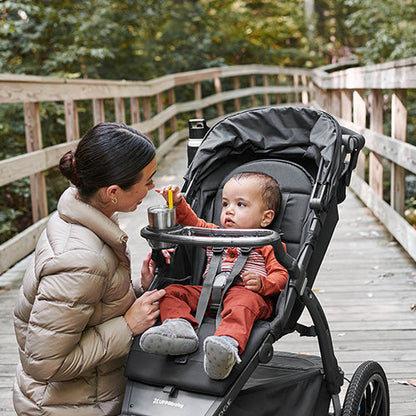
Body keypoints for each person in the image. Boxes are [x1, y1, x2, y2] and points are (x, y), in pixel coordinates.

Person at [13, 122, 166, 416]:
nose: (152, 188)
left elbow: (85, 305)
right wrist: (127, 326)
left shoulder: (82, 220)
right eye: (147, 181)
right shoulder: (81, 258)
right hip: (64, 408)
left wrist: (138, 289)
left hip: (84, 397)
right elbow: (44, 362)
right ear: (112, 192)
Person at [140, 172, 288, 380]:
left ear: (266, 218)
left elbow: (282, 274)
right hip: (207, 293)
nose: (229, 211)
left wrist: (264, 284)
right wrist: (179, 202)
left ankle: (225, 346)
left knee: (242, 304)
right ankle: (179, 329)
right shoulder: (215, 233)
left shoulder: (267, 243)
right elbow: (193, 224)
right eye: (225, 204)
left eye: (241, 205)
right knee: (170, 292)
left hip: (247, 295)